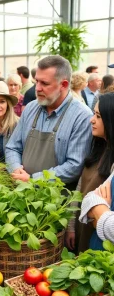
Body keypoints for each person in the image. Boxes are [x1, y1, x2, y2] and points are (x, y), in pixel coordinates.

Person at [5, 55, 92, 189]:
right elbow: (12, 147)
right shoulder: (30, 108)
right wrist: (16, 169)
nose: (37, 88)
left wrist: (33, 180)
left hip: (56, 202)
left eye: (44, 83)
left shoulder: (81, 116)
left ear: (63, 85)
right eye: (36, 82)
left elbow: (74, 166)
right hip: (21, 194)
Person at [66, 93, 114, 252]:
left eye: (98, 116)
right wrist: (71, 226)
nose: (92, 119)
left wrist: (94, 204)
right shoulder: (98, 149)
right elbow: (80, 190)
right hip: (83, 224)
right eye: (94, 113)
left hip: (98, 236)